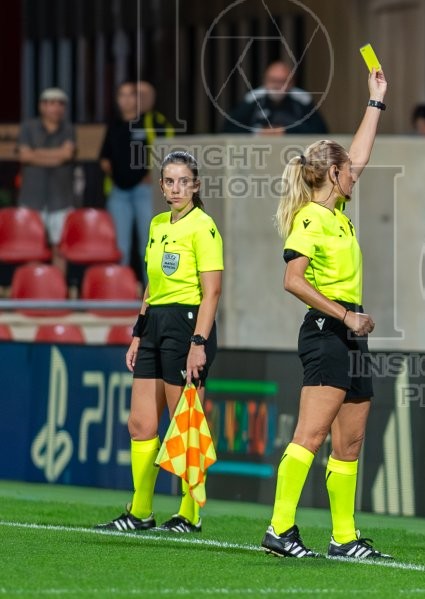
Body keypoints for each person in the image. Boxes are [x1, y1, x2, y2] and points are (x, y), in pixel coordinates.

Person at [261, 67, 391, 560]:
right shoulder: (310, 219)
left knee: (351, 440)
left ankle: (343, 537)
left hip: (350, 330)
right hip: (327, 329)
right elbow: (292, 280)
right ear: (334, 176)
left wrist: (375, 102)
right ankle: (279, 529)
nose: (355, 173)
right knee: (310, 435)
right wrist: (344, 315)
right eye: (348, 171)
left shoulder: (336, 214)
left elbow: (359, 152)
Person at [96, 151, 223, 534]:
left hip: (187, 326)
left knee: (184, 423)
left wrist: (199, 342)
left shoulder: (204, 227)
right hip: (154, 325)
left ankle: (190, 513)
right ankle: (141, 511)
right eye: (170, 181)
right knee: (141, 423)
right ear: (163, 185)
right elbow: (152, 284)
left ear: (196, 185)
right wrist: (138, 331)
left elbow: (212, 291)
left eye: (184, 181)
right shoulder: (156, 224)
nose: (176, 188)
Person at [16, 87, 77, 273]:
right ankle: (32, 295)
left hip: (61, 199)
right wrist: (55, 156)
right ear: (42, 106)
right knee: (31, 249)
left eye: (60, 104)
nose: (56, 108)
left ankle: (58, 295)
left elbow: (66, 155)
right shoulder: (28, 127)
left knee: (60, 249)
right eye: (51, 103)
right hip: (31, 198)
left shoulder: (68, 129)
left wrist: (36, 154)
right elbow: (24, 157)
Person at [100, 82, 156, 274]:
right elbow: (104, 155)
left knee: (148, 245)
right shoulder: (114, 124)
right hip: (119, 192)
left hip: (143, 191)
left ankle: (151, 294)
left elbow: (167, 149)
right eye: (121, 95)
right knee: (120, 247)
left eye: (130, 95)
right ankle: (120, 293)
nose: (126, 99)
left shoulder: (150, 121)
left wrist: (153, 172)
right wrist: (109, 167)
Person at [223, 61, 328, 135]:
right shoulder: (253, 98)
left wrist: (285, 131)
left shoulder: (302, 99)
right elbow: (228, 128)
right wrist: (259, 132)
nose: (277, 85)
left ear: (291, 83)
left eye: (282, 81)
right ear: (265, 81)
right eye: (273, 80)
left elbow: (320, 130)